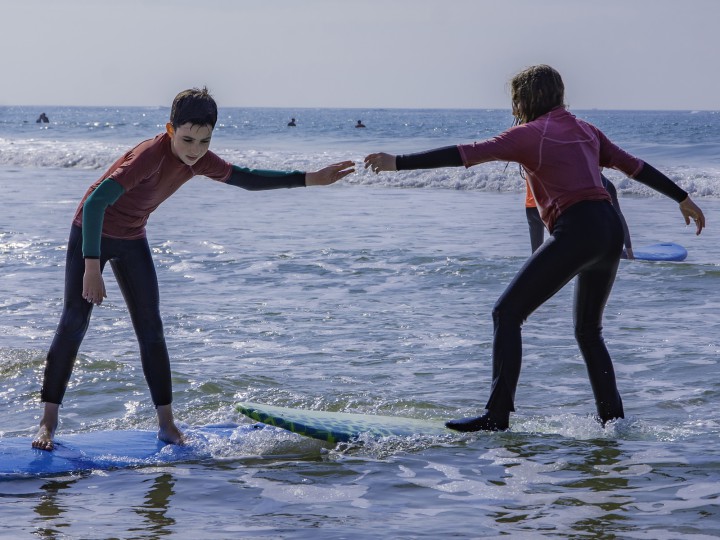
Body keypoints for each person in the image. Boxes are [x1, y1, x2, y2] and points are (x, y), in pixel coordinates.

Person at [364, 65, 705, 432]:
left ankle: (497, 416)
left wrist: (397, 163)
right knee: (589, 331)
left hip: (578, 229)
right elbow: (634, 167)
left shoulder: (530, 134)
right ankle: (613, 422)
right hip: (609, 228)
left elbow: (467, 153)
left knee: (507, 313)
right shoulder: (586, 130)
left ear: (524, 99)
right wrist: (681, 197)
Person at [32, 87, 354, 450]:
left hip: (132, 236)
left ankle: (167, 425)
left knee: (151, 328)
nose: (195, 149)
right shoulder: (148, 157)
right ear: (170, 130)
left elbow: (245, 178)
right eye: (187, 139)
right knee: (75, 321)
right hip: (91, 231)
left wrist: (311, 178)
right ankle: (48, 422)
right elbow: (94, 204)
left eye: (204, 141)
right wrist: (92, 267)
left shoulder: (199, 159)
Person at [526, 174, 634, 259]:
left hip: (532, 208)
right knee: (563, 249)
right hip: (546, 207)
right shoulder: (601, 183)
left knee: (539, 254)